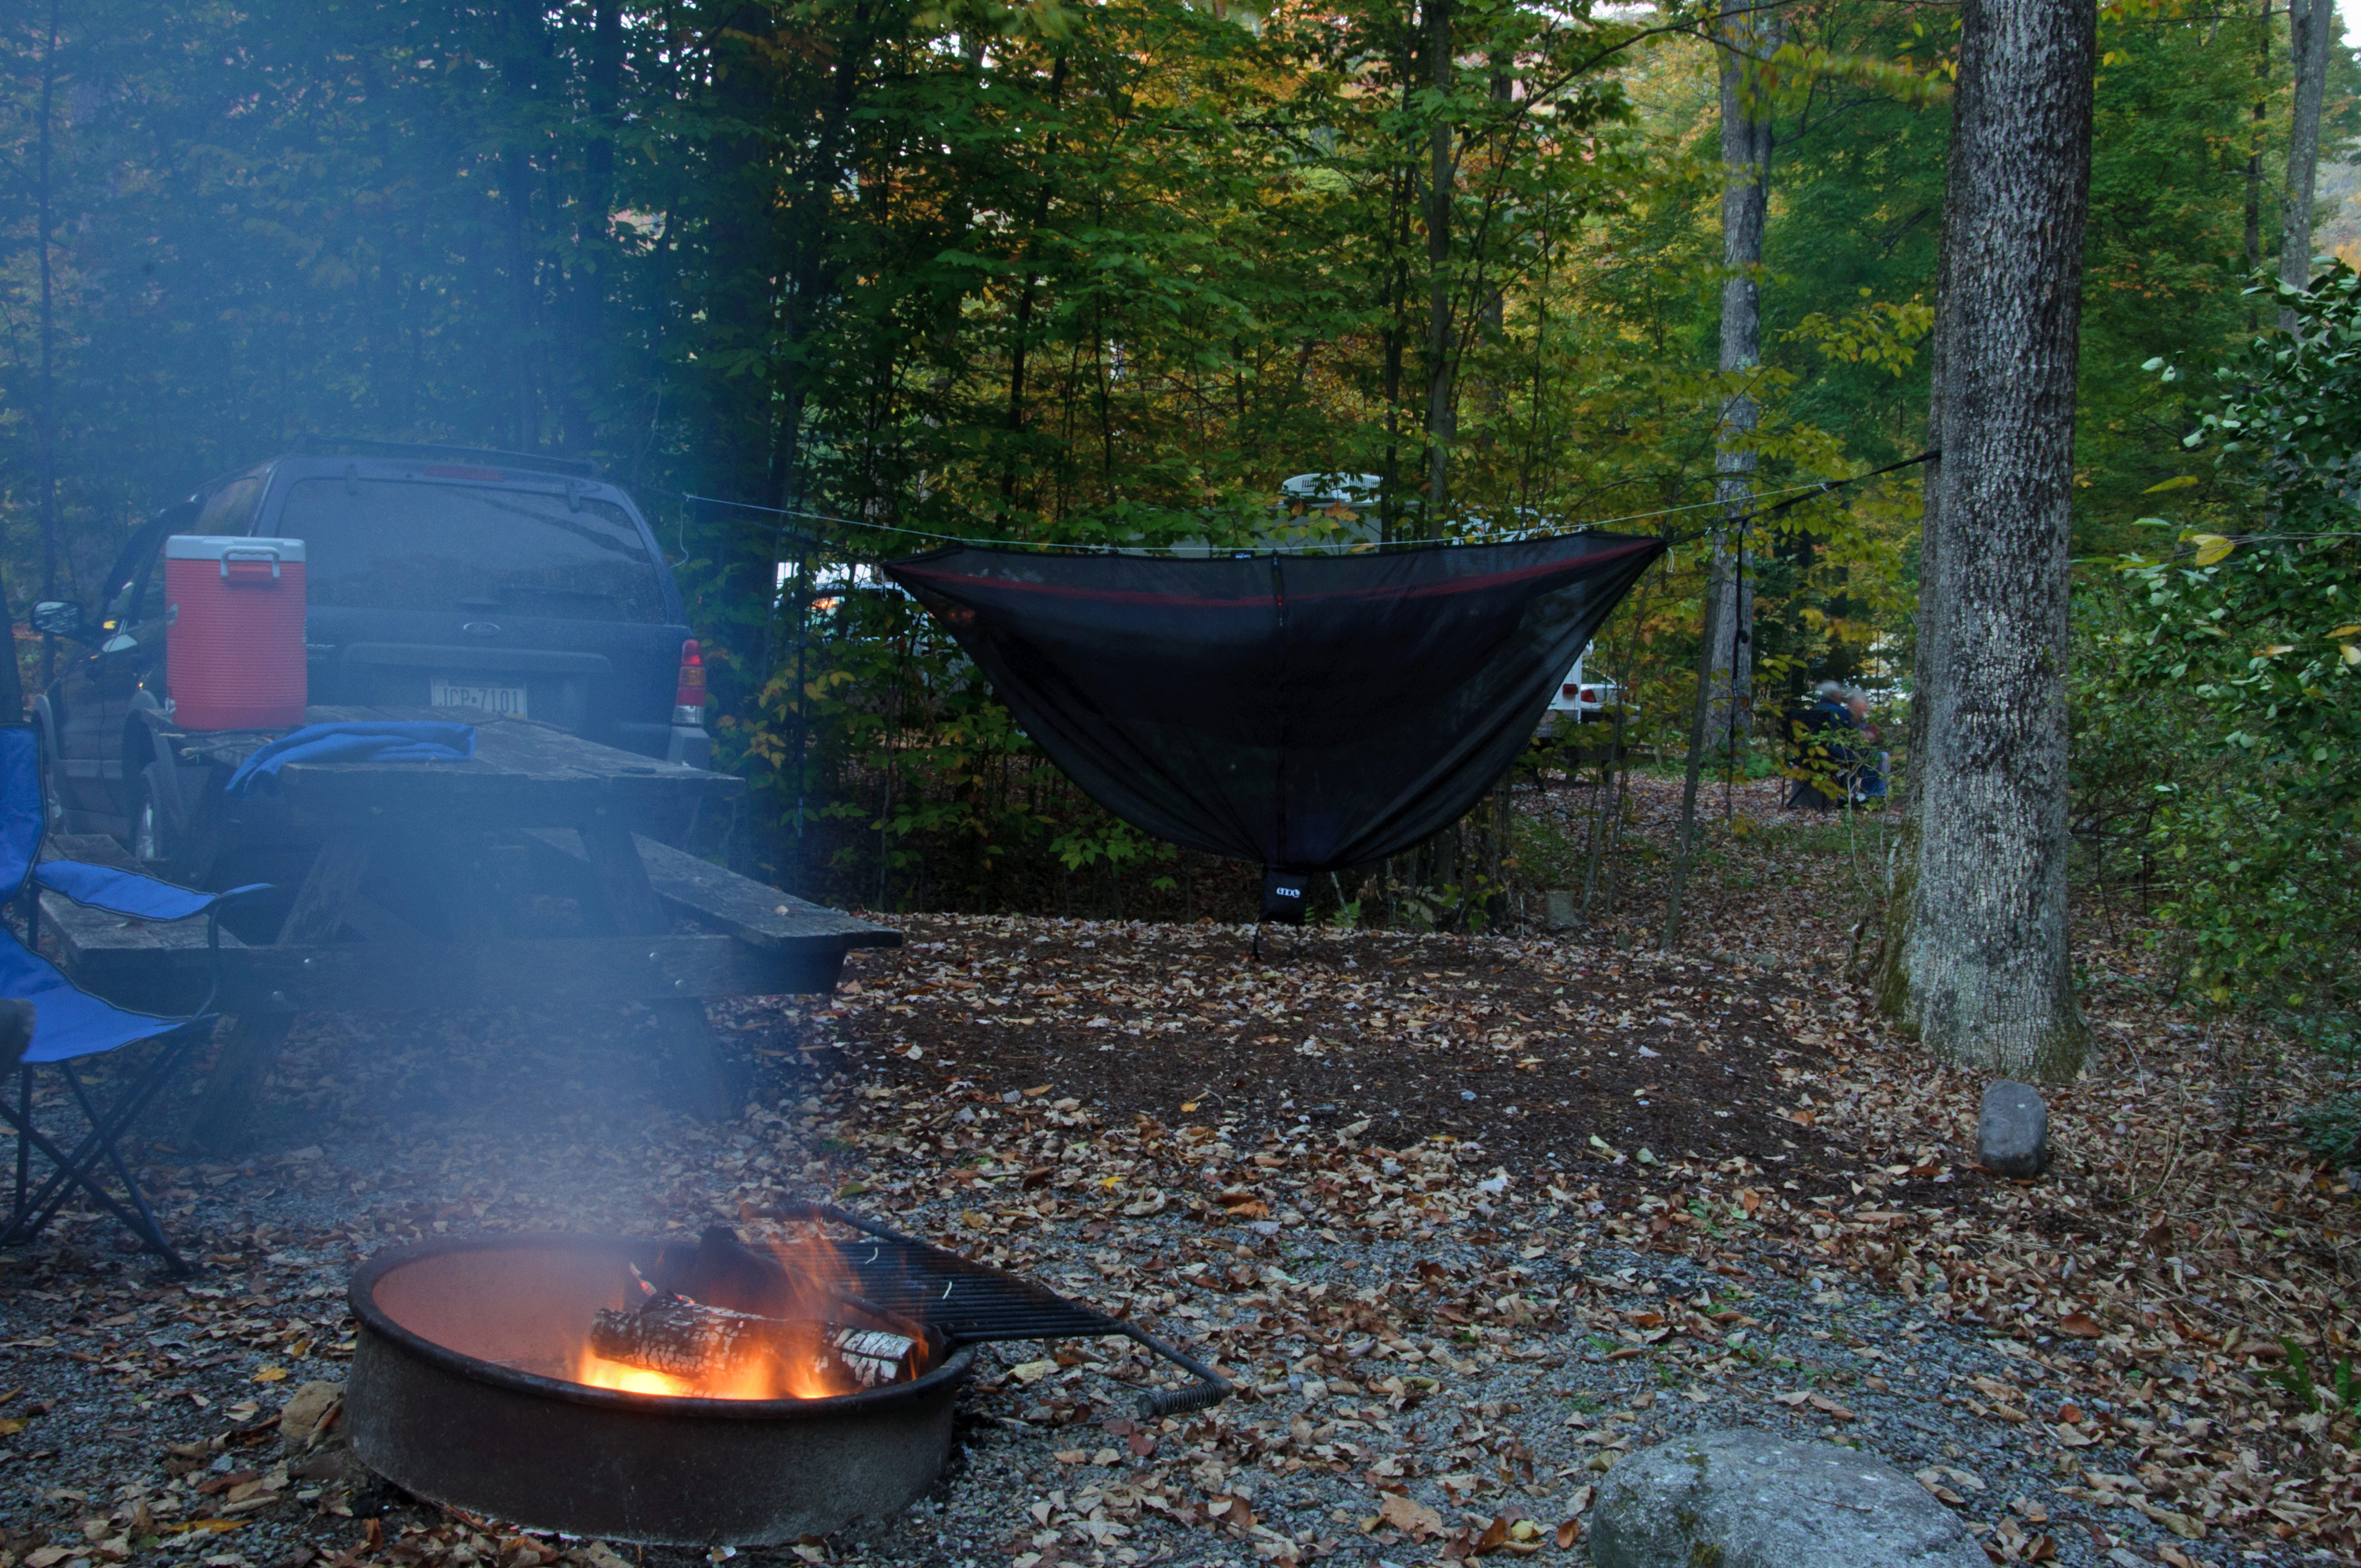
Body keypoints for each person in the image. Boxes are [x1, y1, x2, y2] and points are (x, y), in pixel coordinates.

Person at [1782, 681, 1858, 809]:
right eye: (1839, 694)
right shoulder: (1841, 712)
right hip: (1830, 758)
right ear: (1834, 695)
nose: (1841, 697)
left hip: (1804, 758)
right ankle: (1846, 798)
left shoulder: (1811, 711)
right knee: (1855, 756)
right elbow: (1850, 738)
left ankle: (1802, 800)